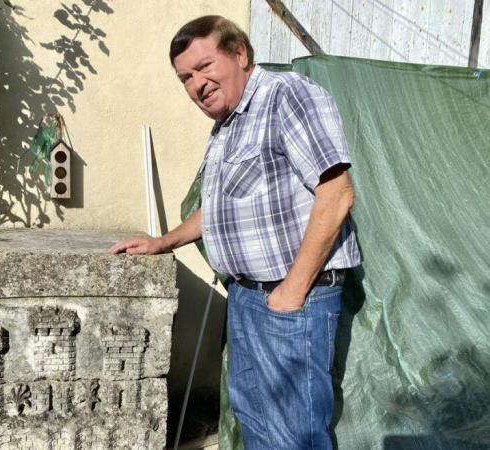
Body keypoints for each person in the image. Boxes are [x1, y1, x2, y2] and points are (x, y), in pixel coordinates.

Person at [109, 15, 360, 450]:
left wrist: (291, 291)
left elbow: (336, 194)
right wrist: (163, 242)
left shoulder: (287, 96)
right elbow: (219, 209)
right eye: (185, 77)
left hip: (291, 301)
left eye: (204, 67)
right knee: (255, 423)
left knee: (294, 437)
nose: (196, 84)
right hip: (246, 298)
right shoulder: (226, 127)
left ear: (240, 54)